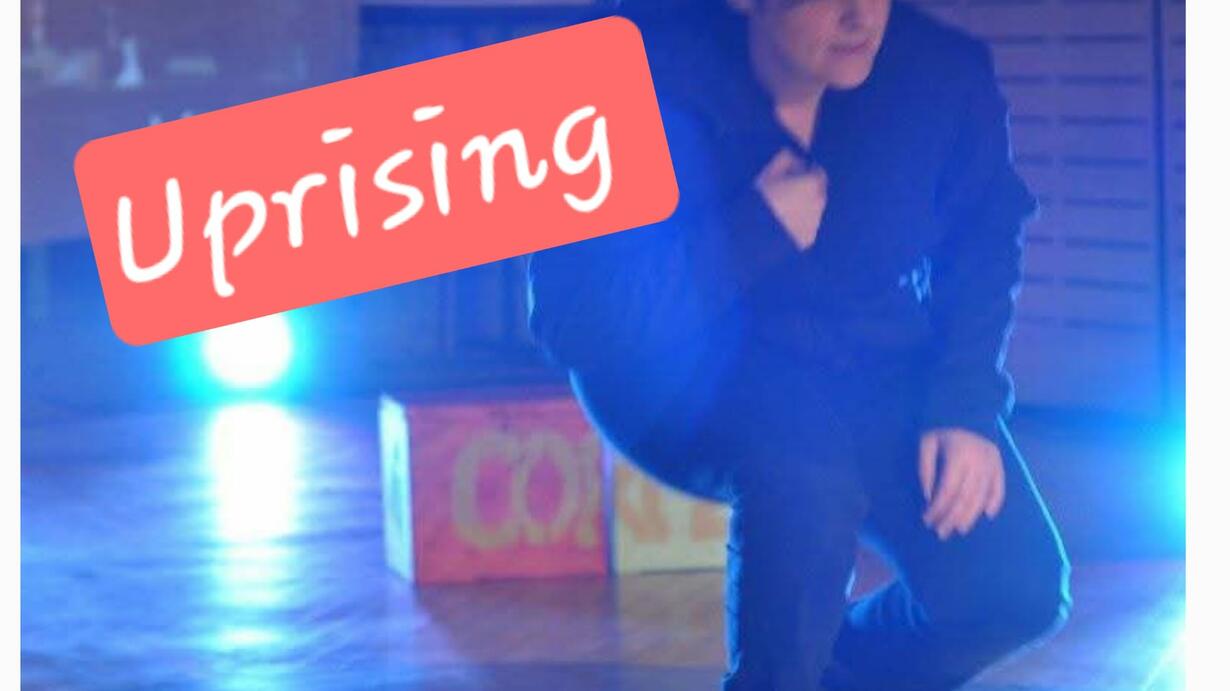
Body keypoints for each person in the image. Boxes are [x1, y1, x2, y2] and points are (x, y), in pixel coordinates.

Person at [526, 0, 1072, 688]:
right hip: (680, 372)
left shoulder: (940, 72)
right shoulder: (629, 67)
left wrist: (964, 403)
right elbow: (575, 317)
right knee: (807, 469)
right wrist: (754, 229)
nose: (859, 17)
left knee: (1015, 589)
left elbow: (985, 237)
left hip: (861, 348)